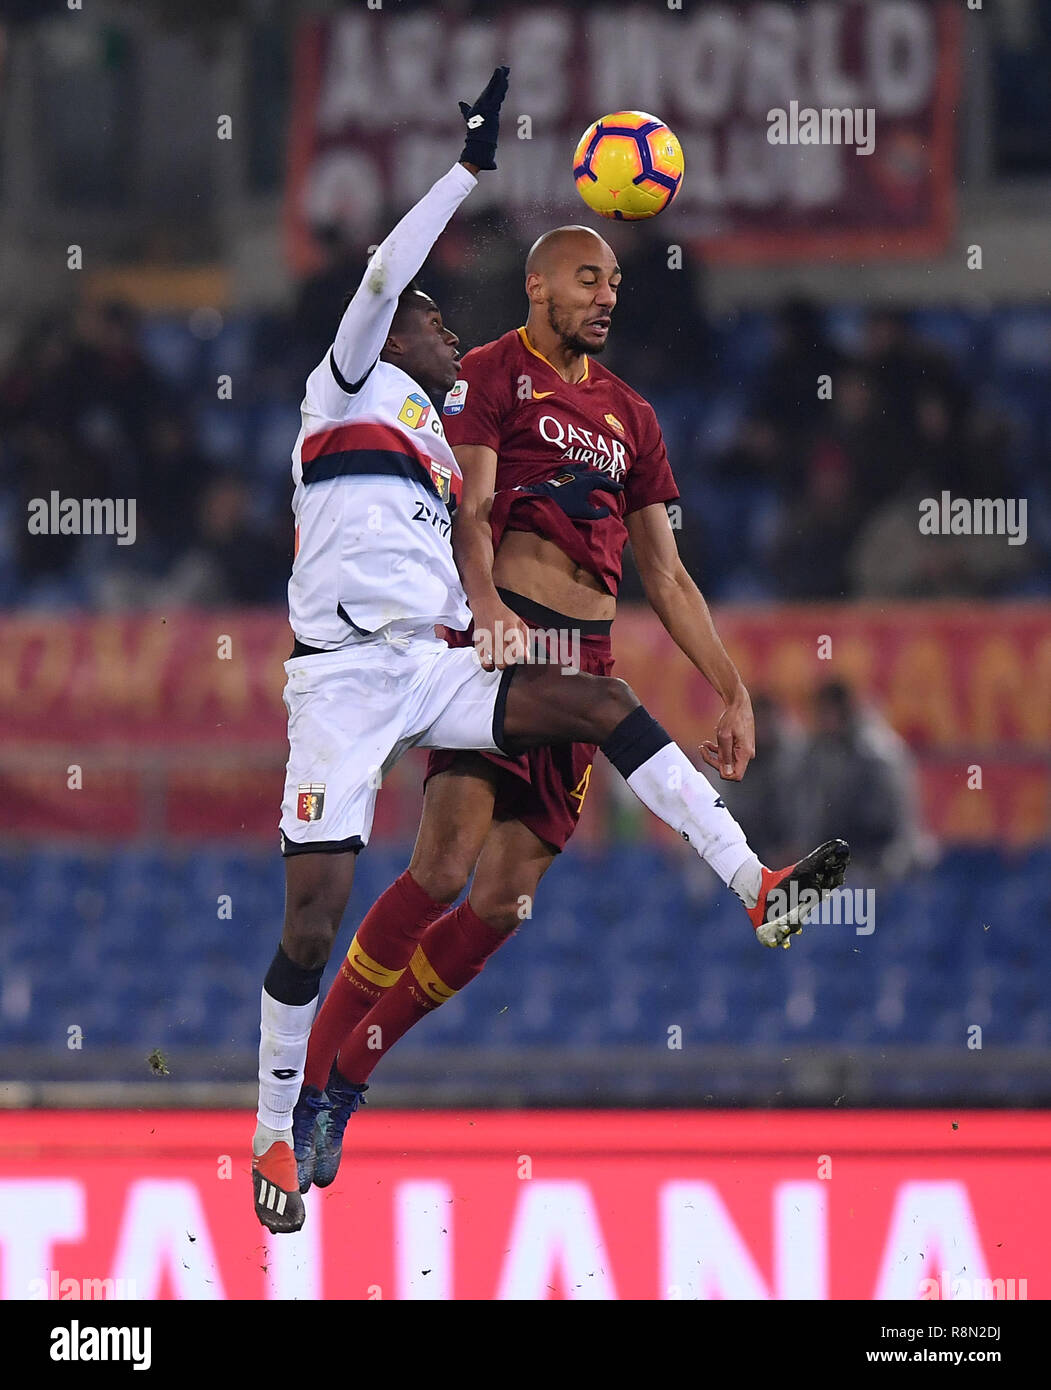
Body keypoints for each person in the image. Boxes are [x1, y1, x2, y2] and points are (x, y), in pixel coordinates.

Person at [252, 67, 849, 1233]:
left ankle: (755, 883)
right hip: (448, 655)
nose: (606, 293)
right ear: (538, 285)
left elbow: (663, 571)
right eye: (588, 274)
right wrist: (483, 607)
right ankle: (298, 1100)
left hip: (525, 655)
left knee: (507, 896)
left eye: (617, 279)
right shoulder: (452, 383)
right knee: (414, 876)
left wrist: (728, 682)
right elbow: (469, 511)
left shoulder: (614, 416)